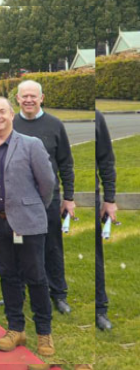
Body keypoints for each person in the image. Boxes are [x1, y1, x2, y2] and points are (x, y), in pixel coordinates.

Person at [0, 97, 56, 358]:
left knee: (36, 277)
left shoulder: (31, 145)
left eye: (2, 111)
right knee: (7, 276)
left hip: (27, 223)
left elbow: (47, 183)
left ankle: (43, 332)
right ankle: (16, 328)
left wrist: (31, 206)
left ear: (11, 114)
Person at [13, 80, 76, 315]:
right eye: (24, 96)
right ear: (17, 99)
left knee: (51, 247)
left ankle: (58, 294)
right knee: (18, 246)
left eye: (33, 96)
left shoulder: (55, 125)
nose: (29, 100)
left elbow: (66, 164)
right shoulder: (10, 124)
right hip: (18, 200)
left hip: (48, 199)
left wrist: (68, 198)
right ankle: (17, 292)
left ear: (42, 98)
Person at [96, 109, 117, 331]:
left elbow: (106, 160)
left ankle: (99, 310)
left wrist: (109, 199)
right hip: (40, 199)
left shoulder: (97, 117)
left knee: (95, 258)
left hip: (89, 197)